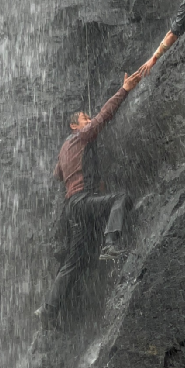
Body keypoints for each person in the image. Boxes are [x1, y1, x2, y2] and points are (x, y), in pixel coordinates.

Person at [36, 70, 142, 323]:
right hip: (82, 201)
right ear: (75, 126)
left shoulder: (65, 148)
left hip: (72, 209)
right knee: (121, 198)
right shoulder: (80, 136)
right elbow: (104, 116)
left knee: (75, 261)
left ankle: (48, 310)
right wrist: (125, 89)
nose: (90, 120)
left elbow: (57, 174)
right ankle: (110, 243)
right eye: (85, 118)